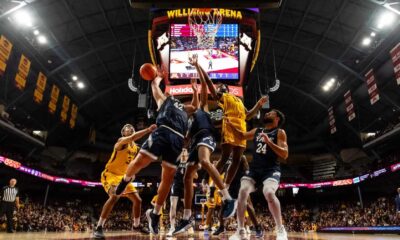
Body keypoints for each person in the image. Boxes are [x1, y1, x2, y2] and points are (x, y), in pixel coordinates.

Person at [115, 67, 198, 234]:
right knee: (140, 161)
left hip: (177, 139)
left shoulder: (184, 108)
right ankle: (125, 180)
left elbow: (195, 107)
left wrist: (195, 91)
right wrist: (157, 78)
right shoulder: (164, 100)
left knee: (167, 178)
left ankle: (155, 213)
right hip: (162, 131)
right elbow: (154, 86)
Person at [173, 55, 236, 235]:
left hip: (207, 136)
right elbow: (185, 140)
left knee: (205, 162)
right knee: (187, 177)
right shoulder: (188, 123)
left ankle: (227, 198)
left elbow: (202, 87)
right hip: (195, 142)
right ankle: (186, 218)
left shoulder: (202, 108)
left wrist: (197, 66)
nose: (186, 107)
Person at [202, 64, 267, 199]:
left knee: (237, 160)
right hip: (230, 125)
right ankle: (209, 182)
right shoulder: (222, 97)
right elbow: (209, 84)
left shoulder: (238, 100)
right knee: (225, 157)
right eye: (219, 87)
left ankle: (226, 186)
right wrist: (206, 77)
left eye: (222, 86)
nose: (221, 86)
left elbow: (248, 115)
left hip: (241, 126)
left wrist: (258, 105)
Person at [228, 109, 289, 240]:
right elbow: (241, 135)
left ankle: (280, 229)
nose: (267, 113)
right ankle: (240, 230)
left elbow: (285, 154)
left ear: (277, 118)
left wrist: (270, 143)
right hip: (255, 169)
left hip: (271, 169)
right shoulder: (257, 131)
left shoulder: (279, 132)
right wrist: (230, 124)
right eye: (268, 113)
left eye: (271, 113)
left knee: (269, 193)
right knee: (243, 191)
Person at [93, 123, 156, 238]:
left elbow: (136, 162)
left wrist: (133, 173)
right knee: (114, 197)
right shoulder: (121, 141)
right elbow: (132, 138)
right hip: (111, 174)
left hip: (123, 177)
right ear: (123, 132)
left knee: (138, 200)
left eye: (132, 128)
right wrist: (148, 130)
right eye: (127, 128)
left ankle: (136, 225)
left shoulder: (136, 148)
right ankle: (99, 227)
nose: (130, 128)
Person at [213, 156, 264, 238]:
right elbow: (221, 173)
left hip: (240, 184)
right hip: (230, 186)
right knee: (223, 207)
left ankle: (258, 228)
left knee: (248, 206)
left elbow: (247, 171)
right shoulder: (224, 158)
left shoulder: (241, 157)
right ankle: (221, 227)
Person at [167, 149, 189, 236]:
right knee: (173, 206)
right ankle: (172, 227)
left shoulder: (190, 163)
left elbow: (195, 176)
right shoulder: (176, 162)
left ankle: (187, 225)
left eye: (185, 151)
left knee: (186, 207)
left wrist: (188, 168)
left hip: (185, 186)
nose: (183, 152)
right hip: (176, 185)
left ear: (187, 154)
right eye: (182, 151)